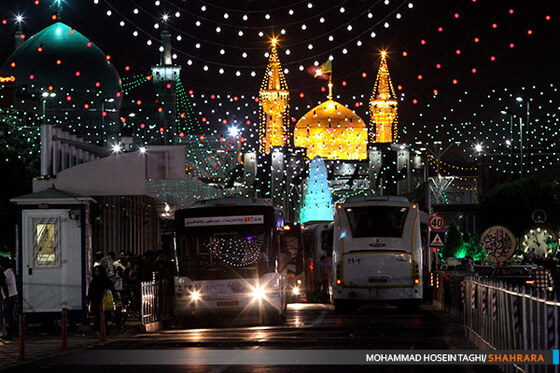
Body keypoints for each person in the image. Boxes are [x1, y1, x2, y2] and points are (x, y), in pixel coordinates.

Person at [88, 265, 115, 331]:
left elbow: (111, 288)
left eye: (98, 271)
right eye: (95, 271)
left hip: (103, 301)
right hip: (96, 301)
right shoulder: (94, 281)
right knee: (98, 316)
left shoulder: (104, 280)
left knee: (102, 316)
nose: (96, 273)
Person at [0, 257, 18, 340]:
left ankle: (11, 333)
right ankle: (11, 333)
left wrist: (6, 298)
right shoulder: (9, 272)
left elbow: (2, 283)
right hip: (10, 296)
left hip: (10, 297)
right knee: (9, 315)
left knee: (9, 316)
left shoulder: (7, 273)